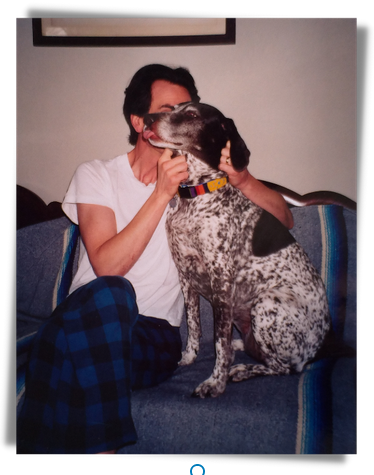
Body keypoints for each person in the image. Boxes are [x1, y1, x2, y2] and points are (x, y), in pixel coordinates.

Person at [17, 64, 293, 454]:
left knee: (59, 348)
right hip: (84, 322)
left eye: (186, 110)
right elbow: (108, 267)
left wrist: (242, 179)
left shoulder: (201, 185)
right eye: (168, 109)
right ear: (142, 122)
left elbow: (285, 219)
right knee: (111, 294)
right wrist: (161, 193)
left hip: (152, 339)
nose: (179, 118)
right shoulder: (97, 175)